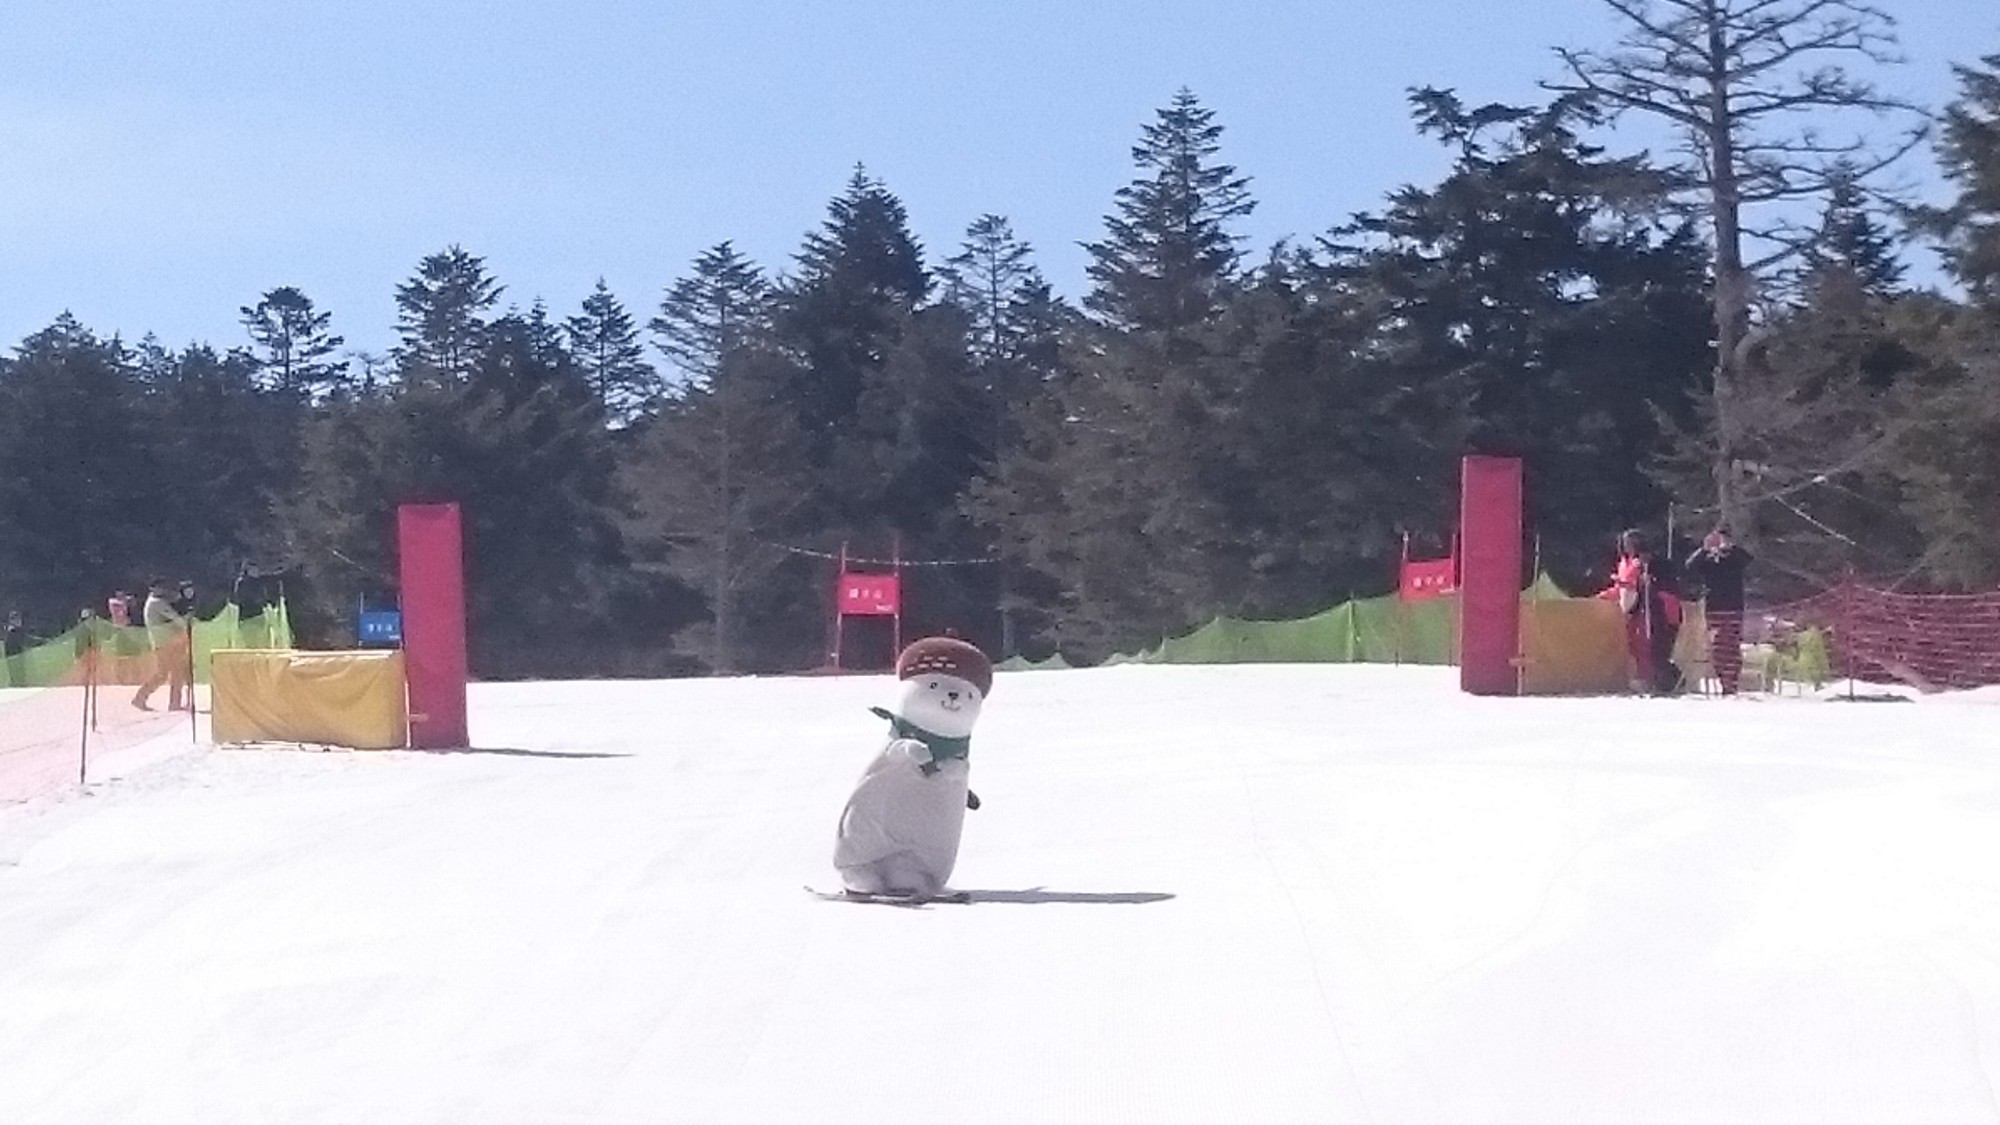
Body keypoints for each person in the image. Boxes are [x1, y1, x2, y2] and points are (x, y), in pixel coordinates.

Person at [1601, 528, 1683, 695]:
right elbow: (1626, 588)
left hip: (1662, 609)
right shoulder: (1628, 563)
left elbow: (1664, 585)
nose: (1628, 547)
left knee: (1657, 648)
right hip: (1646, 609)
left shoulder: (1652, 563)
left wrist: (1644, 580)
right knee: (1648, 648)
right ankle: (1660, 679)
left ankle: (1667, 680)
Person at [1685, 524, 1755, 695]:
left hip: (1733, 608)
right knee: (1717, 647)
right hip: (1713, 608)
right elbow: (1690, 566)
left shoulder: (1735, 557)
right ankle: (1723, 680)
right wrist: (1704, 549)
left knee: (1731, 645)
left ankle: (1731, 683)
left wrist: (1729, 547)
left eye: (1724, 536)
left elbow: (1747, 559)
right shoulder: (1708, 559)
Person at [132, 578, 190, 711]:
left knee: (176, 672)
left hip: (166, 642)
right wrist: (185, 622)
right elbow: (175, 618)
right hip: (165, 644)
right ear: (154, 589)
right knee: (163, 674)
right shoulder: (156, 603)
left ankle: (174, 703)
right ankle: (140, 697)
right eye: (161, 587)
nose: (164, 590)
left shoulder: (157, 601)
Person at [3, 611, 26, 688]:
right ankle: (16, 682)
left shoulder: (15, 630)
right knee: (14, 669)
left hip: (16, 651)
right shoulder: (10, 631)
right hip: (12, 652)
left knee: (19, 668)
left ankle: (19, 681)